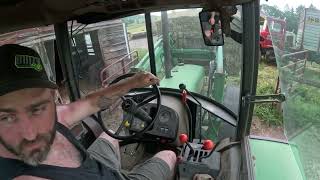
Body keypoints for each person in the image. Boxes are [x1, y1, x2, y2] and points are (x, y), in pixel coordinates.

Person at [0, 44, 176, 180]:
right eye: (6, 117)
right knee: (169, 154)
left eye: (37, 109)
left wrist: (132, 82)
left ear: (53, 99)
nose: (30, 134)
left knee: (111, 135)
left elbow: (91, 102)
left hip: (97, 167)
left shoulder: (57, 117)